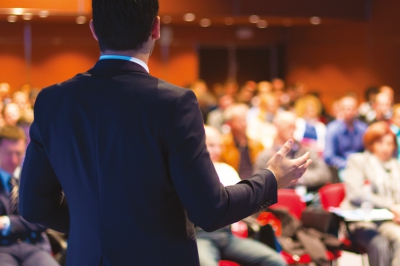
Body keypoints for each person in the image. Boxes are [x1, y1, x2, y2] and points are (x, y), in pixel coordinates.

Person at [18, 1, 311, 265]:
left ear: (94, 30)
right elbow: (211, 210)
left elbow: (33, 207)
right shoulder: (173, 104)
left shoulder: (53, 101)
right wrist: (270, 179)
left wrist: (95, 222)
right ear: (156, 27)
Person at [196, 126, 286, 266]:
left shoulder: (226, 169)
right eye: (212, 145)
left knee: (276, 261)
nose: (217, 151)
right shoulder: (191, 175)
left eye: (219, 146)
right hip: (201, 236)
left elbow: (243, 202)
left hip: (227, 234)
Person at [341, 122, 400, 266]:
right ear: (371, 143)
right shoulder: (358, 161)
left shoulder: (395, 164)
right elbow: (356, 194)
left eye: (389, 143)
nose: (385, 148)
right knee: (381, 243)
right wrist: (392, 205)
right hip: (363, 220)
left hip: (389, 220)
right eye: (380, 143)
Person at [0, 126, 58, 266]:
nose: (13, 160)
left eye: (18, 153)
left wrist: (7, 223)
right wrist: (24, 222)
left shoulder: (33, 177)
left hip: (34, 246)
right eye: (9, 153)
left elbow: (42, 220)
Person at [254, 112, 331, 191]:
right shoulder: (265, 156)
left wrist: (298, 177)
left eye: (294, 126)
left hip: (309, 197)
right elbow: (260, 184)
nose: (293, 129)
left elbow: (325, 175)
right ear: (277, 126)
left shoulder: (307, 151)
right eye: (289, 126)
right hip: (280, 200)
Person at [220, 104, 265, 180]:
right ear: (230, 124)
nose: (244, 124)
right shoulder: (223, 144)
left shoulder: (257, 144)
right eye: (239, 121)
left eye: (245, 120)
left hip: (255, 181)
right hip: (234, 183)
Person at [324, 96, 368, 171]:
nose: (349, 111)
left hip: (361, 166)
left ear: (356, 110)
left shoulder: (363, 128)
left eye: (352, 108)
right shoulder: (332, 129)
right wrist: (347, 165)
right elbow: (328, 156)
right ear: (340, 110)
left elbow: (368, 151)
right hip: (342, 168)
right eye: (346, 108)